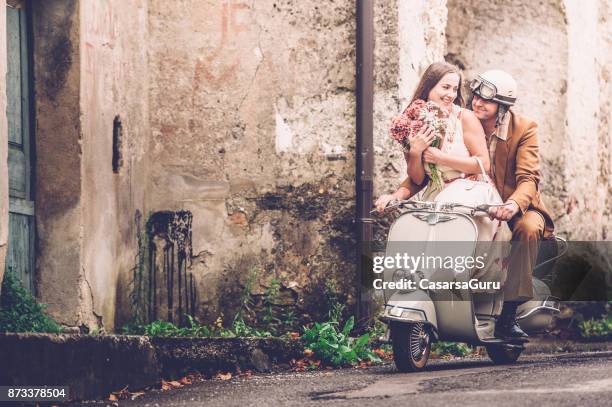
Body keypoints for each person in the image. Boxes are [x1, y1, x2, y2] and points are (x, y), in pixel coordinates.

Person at [378, 69, 555, 340]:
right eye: (475, 96)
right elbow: (422, 174)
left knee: (527, 229)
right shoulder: (453, 119)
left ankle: (508, 314)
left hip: (513, 202)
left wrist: (512, 204)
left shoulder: (523, 129)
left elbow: (529, 178)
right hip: (463, 200)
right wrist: (398, 193)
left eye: (488, 100)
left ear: (503, 107)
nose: (477, 102)